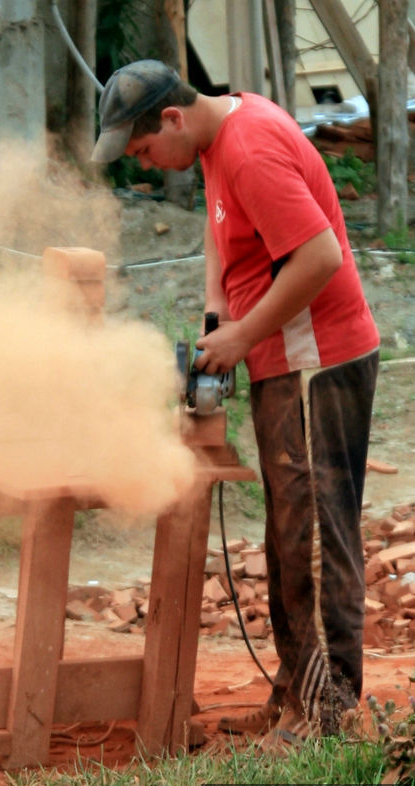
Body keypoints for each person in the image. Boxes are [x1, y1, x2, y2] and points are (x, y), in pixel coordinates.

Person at [92, 60, 380, 748]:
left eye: (142, 151)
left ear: (171, 119)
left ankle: (328, 715)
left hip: (319, 361)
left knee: (312, 539)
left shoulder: (248, 148)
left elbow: (319, 256)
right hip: (285, 360)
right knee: (289, 539)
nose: (149, 165)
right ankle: (295, 700)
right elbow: (222, 231)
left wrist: (245, 334)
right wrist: (220, 312)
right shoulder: (221, 138)